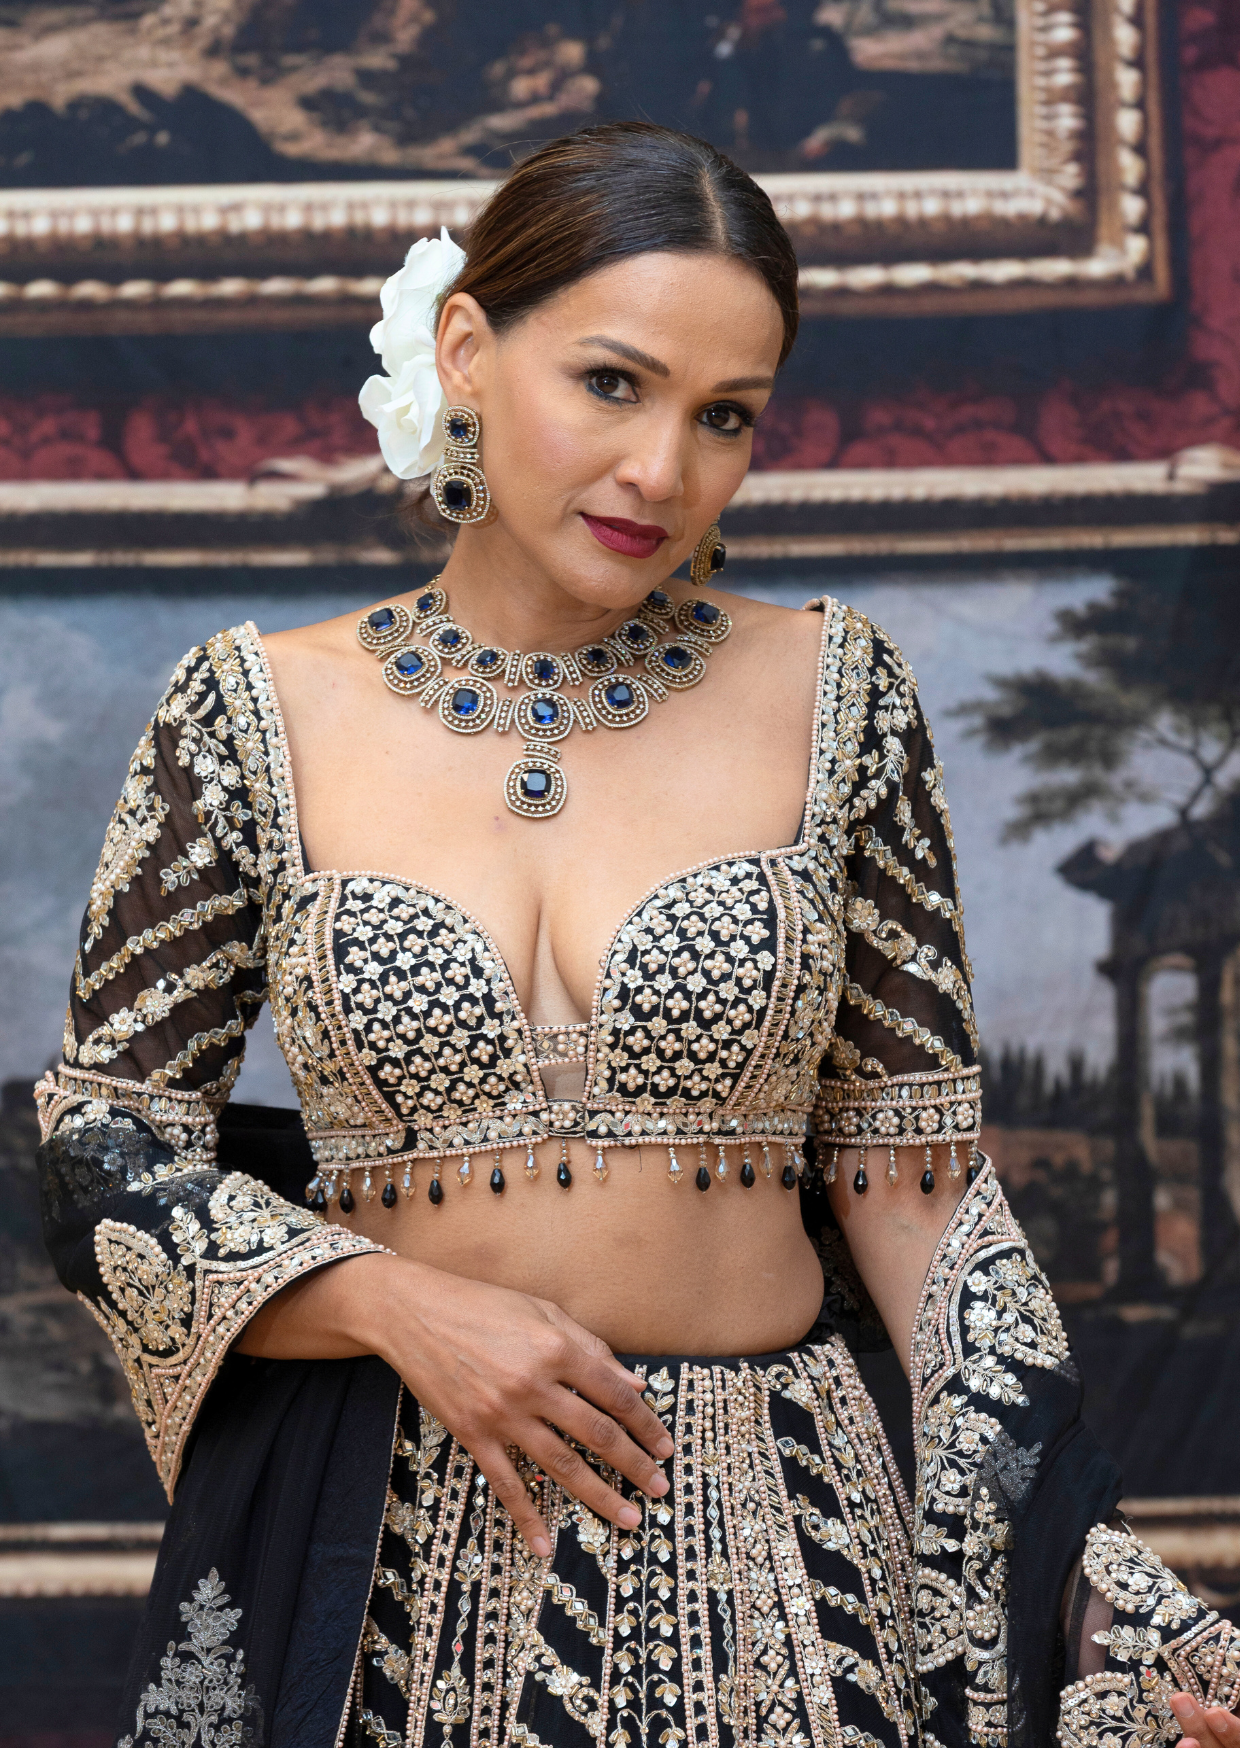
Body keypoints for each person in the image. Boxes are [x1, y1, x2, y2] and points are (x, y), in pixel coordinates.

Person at [37, 123, 1237, 1748]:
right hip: (382, 1559)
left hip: (782, 1563)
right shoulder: (255, 711)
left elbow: (921, 1194)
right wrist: (392, 1301)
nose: (663, 472)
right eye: (612, 383)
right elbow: (105, 1155)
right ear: (469, 349)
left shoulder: (834, 696)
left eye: (724, 414)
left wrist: (1110, 1593)